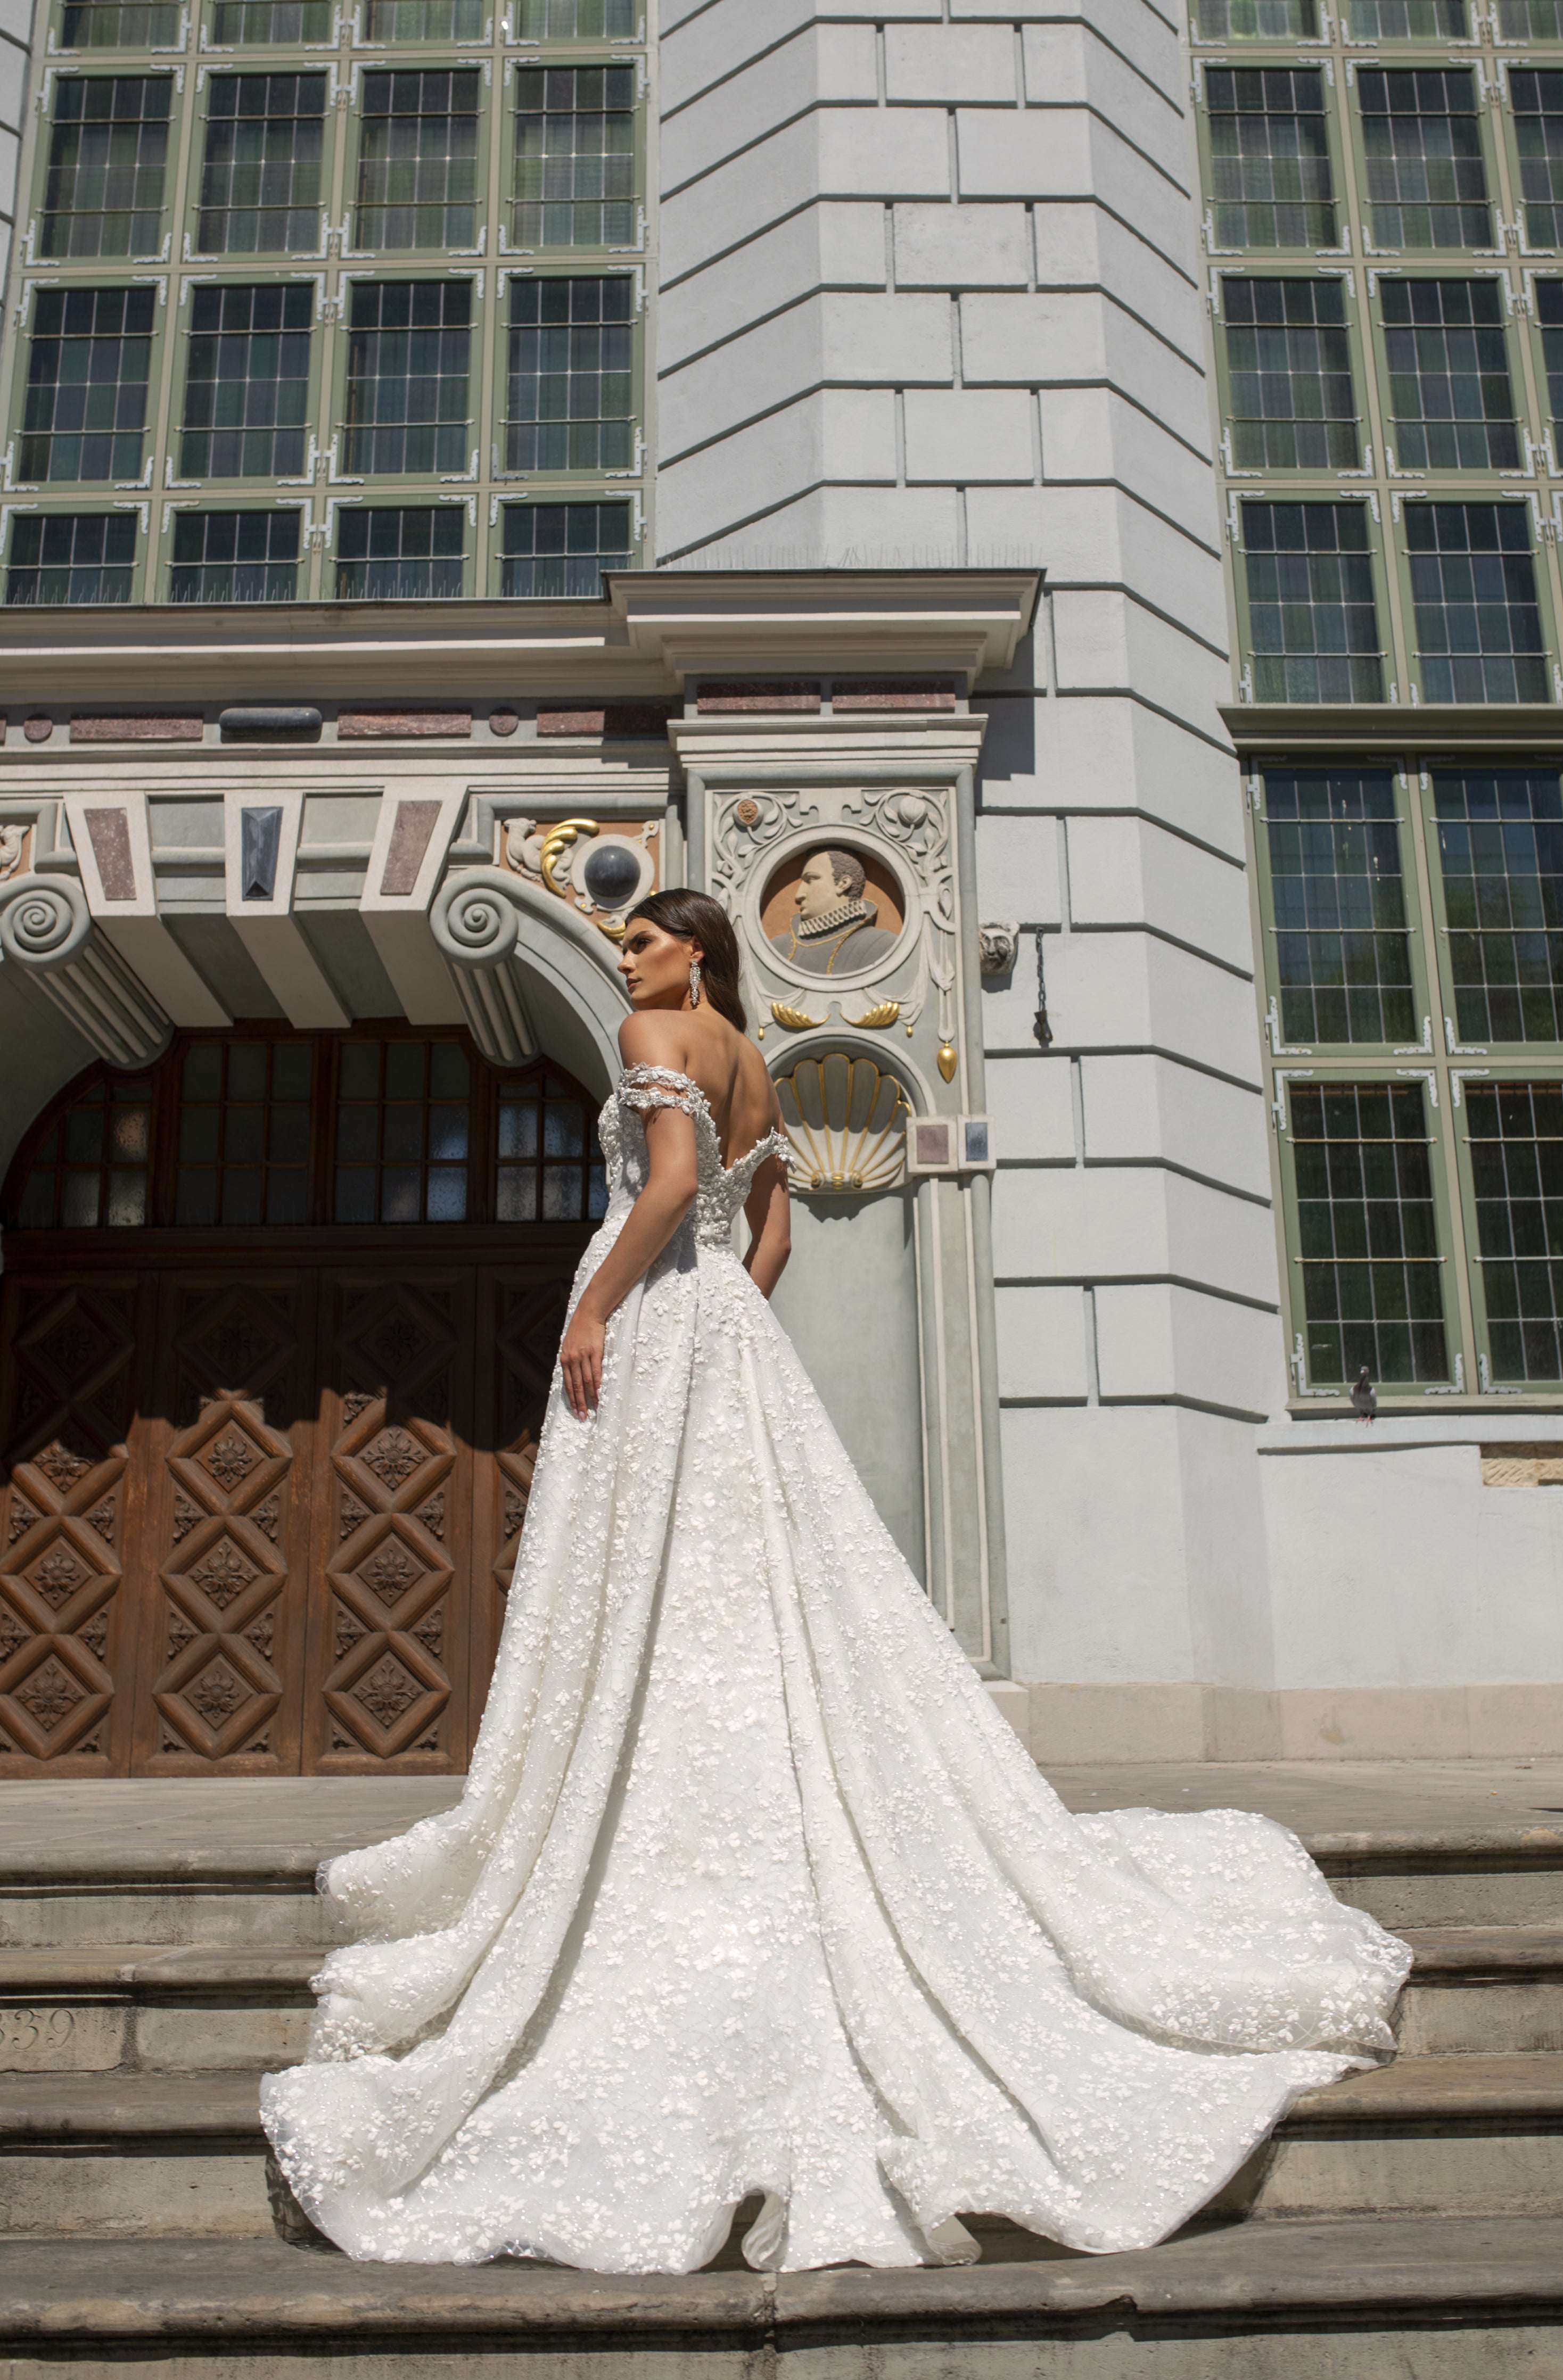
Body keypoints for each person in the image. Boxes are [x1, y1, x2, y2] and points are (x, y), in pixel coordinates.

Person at [261, 887, 1409, 2277]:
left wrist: (593, 1308)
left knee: (644, 1578)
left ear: (692, 951)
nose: (626, 955)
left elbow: (673, 1183)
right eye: (627, 945)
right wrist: (722, 1308)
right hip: (729, 1334)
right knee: (760, 1572)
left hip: (660, 1321)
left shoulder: (655, 1028)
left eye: (643, 938)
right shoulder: (750, 1049)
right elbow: (776, 1234)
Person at [768, 847, 896, 975]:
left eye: (811, 880)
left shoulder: (881, 946)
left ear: (843, 884)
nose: (799, 895)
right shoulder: (779, 949)